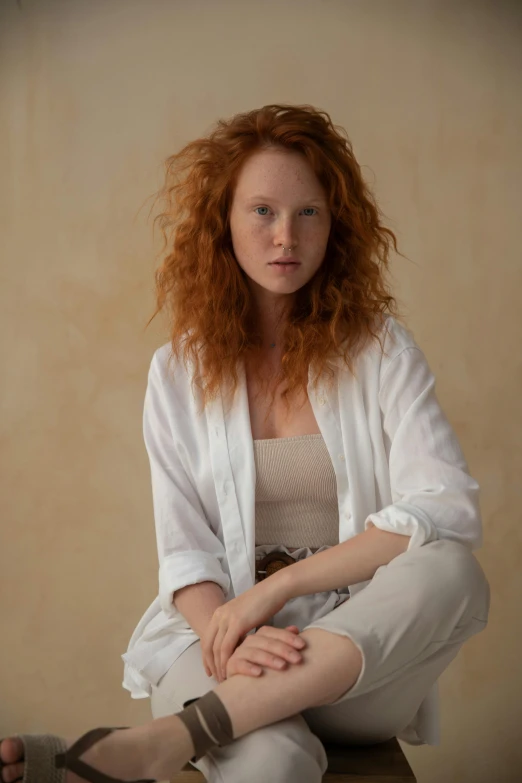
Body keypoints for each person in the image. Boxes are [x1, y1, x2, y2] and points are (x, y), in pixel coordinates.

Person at [0, 103, 490, 783]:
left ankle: (167, 737)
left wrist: (277, 587)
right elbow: (185, 554)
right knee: (274, 759)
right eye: (262, 210)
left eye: (308, 212)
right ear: (223, 223)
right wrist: (234, 631)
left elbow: (447, 506)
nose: (285, 235)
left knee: (455, 571)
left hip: (351, 665)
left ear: (335, 225)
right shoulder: (176, 370)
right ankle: (226, 717)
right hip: (221, 650)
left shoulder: (381, 351)